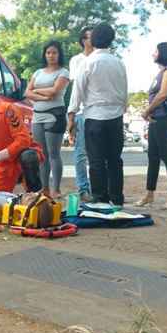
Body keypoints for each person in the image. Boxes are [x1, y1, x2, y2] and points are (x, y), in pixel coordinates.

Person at [66, 23, 128, 205]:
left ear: (93, 40)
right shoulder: (119, 63)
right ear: (111, 40)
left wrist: (71, 115)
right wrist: (121, 109)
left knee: (96, 161)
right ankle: (117, 199)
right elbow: (124, 91)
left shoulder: (87, 62)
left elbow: (77, 91)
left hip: (94, 117)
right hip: (116, 117)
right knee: (115, 160)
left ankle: (100, 198)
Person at [134, 42, 167, 210]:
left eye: (156, 50)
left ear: (164, 52)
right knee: (153, 157)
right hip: (156, 118)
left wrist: (147, 110)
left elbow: (163, 94)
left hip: (164, 118)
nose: (153, 53)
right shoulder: (161, 72)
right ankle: (149, 194)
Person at [25, 40, 70, 199]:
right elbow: (27, 93)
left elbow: (54, 92)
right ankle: (44, 189)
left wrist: (36, 91)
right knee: (41, 155)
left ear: (59, 54)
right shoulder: (37, 72)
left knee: (53, 154)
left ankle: (56, 189)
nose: (51, 55)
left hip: (54, 115)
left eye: (54, 52)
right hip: (37, 116)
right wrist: (41, 95)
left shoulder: (63, 72)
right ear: (45, 54)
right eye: (48, 52)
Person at [67, 27, 94, 202]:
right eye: (90, 37)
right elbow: (75, 88)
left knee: (97, 155)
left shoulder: (103, 58)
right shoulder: (76, 60)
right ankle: (83, 189)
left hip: (98, 111)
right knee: (81, 153)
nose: (94, 40)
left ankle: (98, 189)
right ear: (83, 40)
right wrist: (72, 115)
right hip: (82, 112)